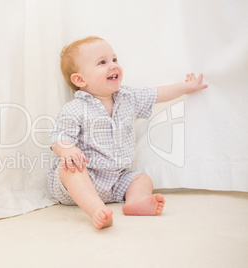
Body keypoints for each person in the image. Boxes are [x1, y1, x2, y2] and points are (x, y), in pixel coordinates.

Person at [47, 36, 208, 229]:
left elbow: (156, 94)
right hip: (83, 180)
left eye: (114, 59)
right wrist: (67, 150)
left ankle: (135, 201)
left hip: (116, 179)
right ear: (80, 79)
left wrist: (185, 87)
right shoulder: (75, 108)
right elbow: (58, 137)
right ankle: (95, 209)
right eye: (102, 62)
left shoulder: (128, 98)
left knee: (141, 178)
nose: (113, 65)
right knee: (69, 169)